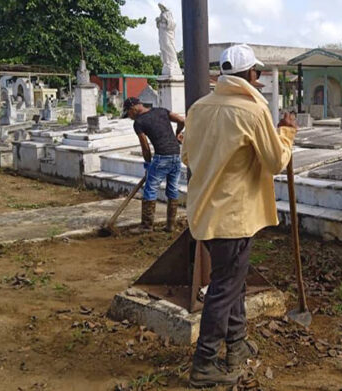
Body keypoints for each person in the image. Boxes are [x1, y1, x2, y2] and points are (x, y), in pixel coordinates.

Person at [182, 44, 298, 388]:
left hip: (207, 212)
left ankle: (236, 343)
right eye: (257, 73)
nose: (258, 78)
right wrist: (286, 133)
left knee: (231, 282)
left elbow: (187, 156)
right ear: (251, 75)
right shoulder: (253, 110)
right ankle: (204, 363)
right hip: (233, 216)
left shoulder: (199, 108)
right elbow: (276, 161)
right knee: (223, 287)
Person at [122, 97, 185, 232]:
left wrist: (147, 164)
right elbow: (181, 120)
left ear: (133, 108)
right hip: (175, 155)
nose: (130, 117)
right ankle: (170, 225)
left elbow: (145, 147)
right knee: (173, 189)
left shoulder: (139, 122)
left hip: (161, 157)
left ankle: (146, 226)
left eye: (129, 114)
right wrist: (178, 133)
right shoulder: (161, 111)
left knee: (150, 190)